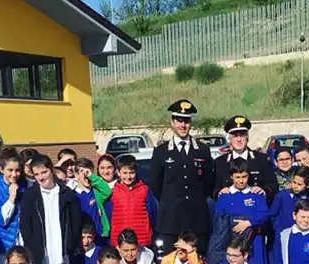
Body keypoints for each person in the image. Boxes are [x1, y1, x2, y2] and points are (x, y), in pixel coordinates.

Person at [148, 100, 214, 255]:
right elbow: (155, 185)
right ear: (172, 123)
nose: (183, 125)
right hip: (171, 220)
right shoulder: (161, 152)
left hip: (196, 220)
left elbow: (208, 183)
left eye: (186, 121)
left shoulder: (202, 150)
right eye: (179, 121)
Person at [19, 154, 82, 264]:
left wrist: (70, 243)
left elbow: (75, 221)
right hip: (40, 248)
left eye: (44, 172)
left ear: (51, 170)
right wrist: (32, 247)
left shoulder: (66, 194)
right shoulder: (30, 195)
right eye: (37, 174)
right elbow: (25, 225)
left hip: (61, 247)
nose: (41, 177)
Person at [215, 158, 269, 264]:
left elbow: (264, 215)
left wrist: (248, 223)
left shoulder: (256, 194)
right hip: (232, 242)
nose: (241, 181)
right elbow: (218, 220)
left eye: (244, 177)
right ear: (231, 177)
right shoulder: (225, 196)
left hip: (254, 241)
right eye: (237, 177)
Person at [213, 115, 278, 202]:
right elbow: (213, 189)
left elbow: (273, 185)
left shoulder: (261, 160)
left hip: (255, 210)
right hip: (230, 211)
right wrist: (219, 193)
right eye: (235, 136)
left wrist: (264, 191)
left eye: (242, 135)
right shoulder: (220, 162)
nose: (239, 139)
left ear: (247, 137)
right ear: (229, 139)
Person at [109, 154, 157, 248]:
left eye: (131, 173)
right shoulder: (113, 191)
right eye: (125, 173)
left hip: (141, 239)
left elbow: (153, 213)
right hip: (120, 240)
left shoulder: (144, 190)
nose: (128, 176)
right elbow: (108, 214)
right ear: (118, 173)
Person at [73, 158, 112, 241]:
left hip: (98, 235)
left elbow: (107, 191)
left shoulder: (95, 192)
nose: (87, 176)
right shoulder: (72, 195)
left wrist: (92, 176)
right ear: (76, 175)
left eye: (89, 172)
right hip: (82, 238)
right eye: (84, 173)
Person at [270, 166, 309, 237]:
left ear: (308, 185)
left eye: (299, 184)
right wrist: (279, 230)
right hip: (283, 236)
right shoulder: (281, 196)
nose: (295, 186)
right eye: (294, 182)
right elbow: (273, 216)